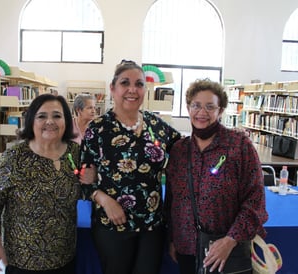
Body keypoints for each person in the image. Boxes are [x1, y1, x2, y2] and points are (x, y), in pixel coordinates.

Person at [80, 59, 182, 274]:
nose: (132, 90)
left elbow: (188, 150)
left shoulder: (158, 127)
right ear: (113, 88)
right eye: (125, 83)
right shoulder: (97, 129)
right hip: (112, 224)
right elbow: (83, 179)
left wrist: (226, 135)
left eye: (139, 84)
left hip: (152, 225)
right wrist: (105, 201)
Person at [165, 78, 268, 274]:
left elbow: (255, 199)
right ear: (188, 108)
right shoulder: (180, 150)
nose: (202, 113)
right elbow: (172, 199)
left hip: (226, 249)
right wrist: (172, 238)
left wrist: (230, 240)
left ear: (220, 111)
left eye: (210, 107)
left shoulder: (239, 146)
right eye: (196, 105)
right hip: (186, 247)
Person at [0, 94, 82, 274]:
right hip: (24, 260)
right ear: (31, 121)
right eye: (42, 116)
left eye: (57, 116)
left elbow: (87, 189)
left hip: (65, 257)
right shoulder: (15, 157)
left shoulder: (75, 153)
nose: (50, 121)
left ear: (66, 121)